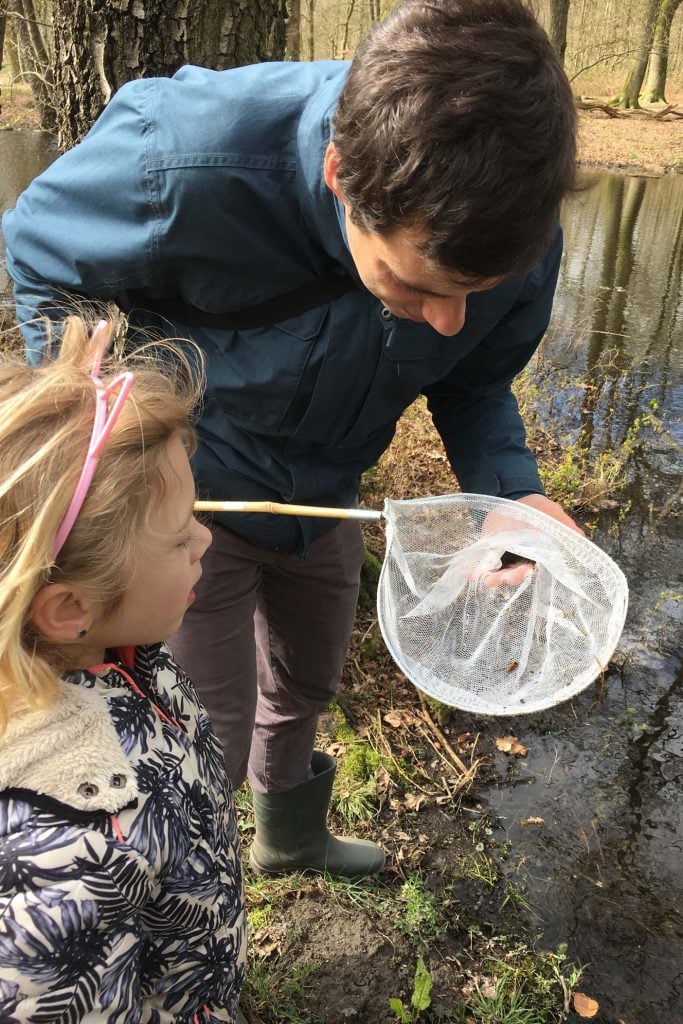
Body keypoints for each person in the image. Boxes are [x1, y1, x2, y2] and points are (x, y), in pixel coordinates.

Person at [3, 0, 580, 879]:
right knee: (212, 720)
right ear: (340, 175)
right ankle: (181, 880)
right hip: (194, 496)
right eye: (420, 283)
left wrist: (511, 493)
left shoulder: (514, 230)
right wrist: (107, 434)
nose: (447, 319)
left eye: (477, 289)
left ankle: (289, 842)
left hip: (326, 496)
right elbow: (43, 255)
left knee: (307, 680)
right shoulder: (181, 155)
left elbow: (473, 382)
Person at [0, 319, 246, 1023]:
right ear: (69, 606)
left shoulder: (119, 650)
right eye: (178, 537)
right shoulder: (60, 856)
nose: (205, 539)